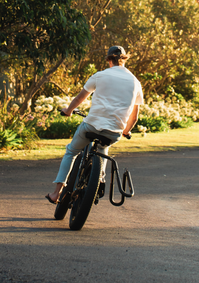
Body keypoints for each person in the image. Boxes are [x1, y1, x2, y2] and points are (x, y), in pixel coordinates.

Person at [45, 45, 144, 204]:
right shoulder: (135, 82)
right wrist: (126, 131)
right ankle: (99, 180)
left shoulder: (100, 75)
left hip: (91, 126)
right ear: (125, 59)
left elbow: (79, 99)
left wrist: (69, 111)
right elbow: (134, 117)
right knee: (103, 148)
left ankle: (56, 193)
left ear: (108, 60)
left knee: (71, 152)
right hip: (114, 131)